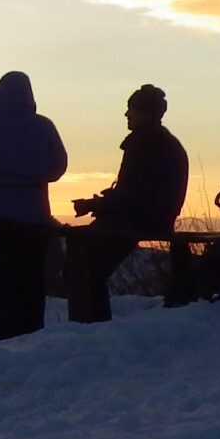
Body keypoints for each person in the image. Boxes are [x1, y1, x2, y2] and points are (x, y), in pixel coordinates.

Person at [63, 84, 190, 323]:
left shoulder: (144, 143)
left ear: (145, 113)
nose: (126, 115)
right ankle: (92, 321)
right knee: (90, 260)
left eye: (130, 109)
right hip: (154, 217)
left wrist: (96, 205)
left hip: (139, 220)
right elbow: (136, 191)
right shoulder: (164, 142)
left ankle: (89, 324)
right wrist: (103, 203)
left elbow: (132, 196)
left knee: (83, 261)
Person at [0, 70, 68, 339]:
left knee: (5, 281)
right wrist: (35, 174)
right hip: (35, 218)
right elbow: (59, 166)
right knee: (33, 281)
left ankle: (7, 336)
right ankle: (33, 335)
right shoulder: (43, 126)